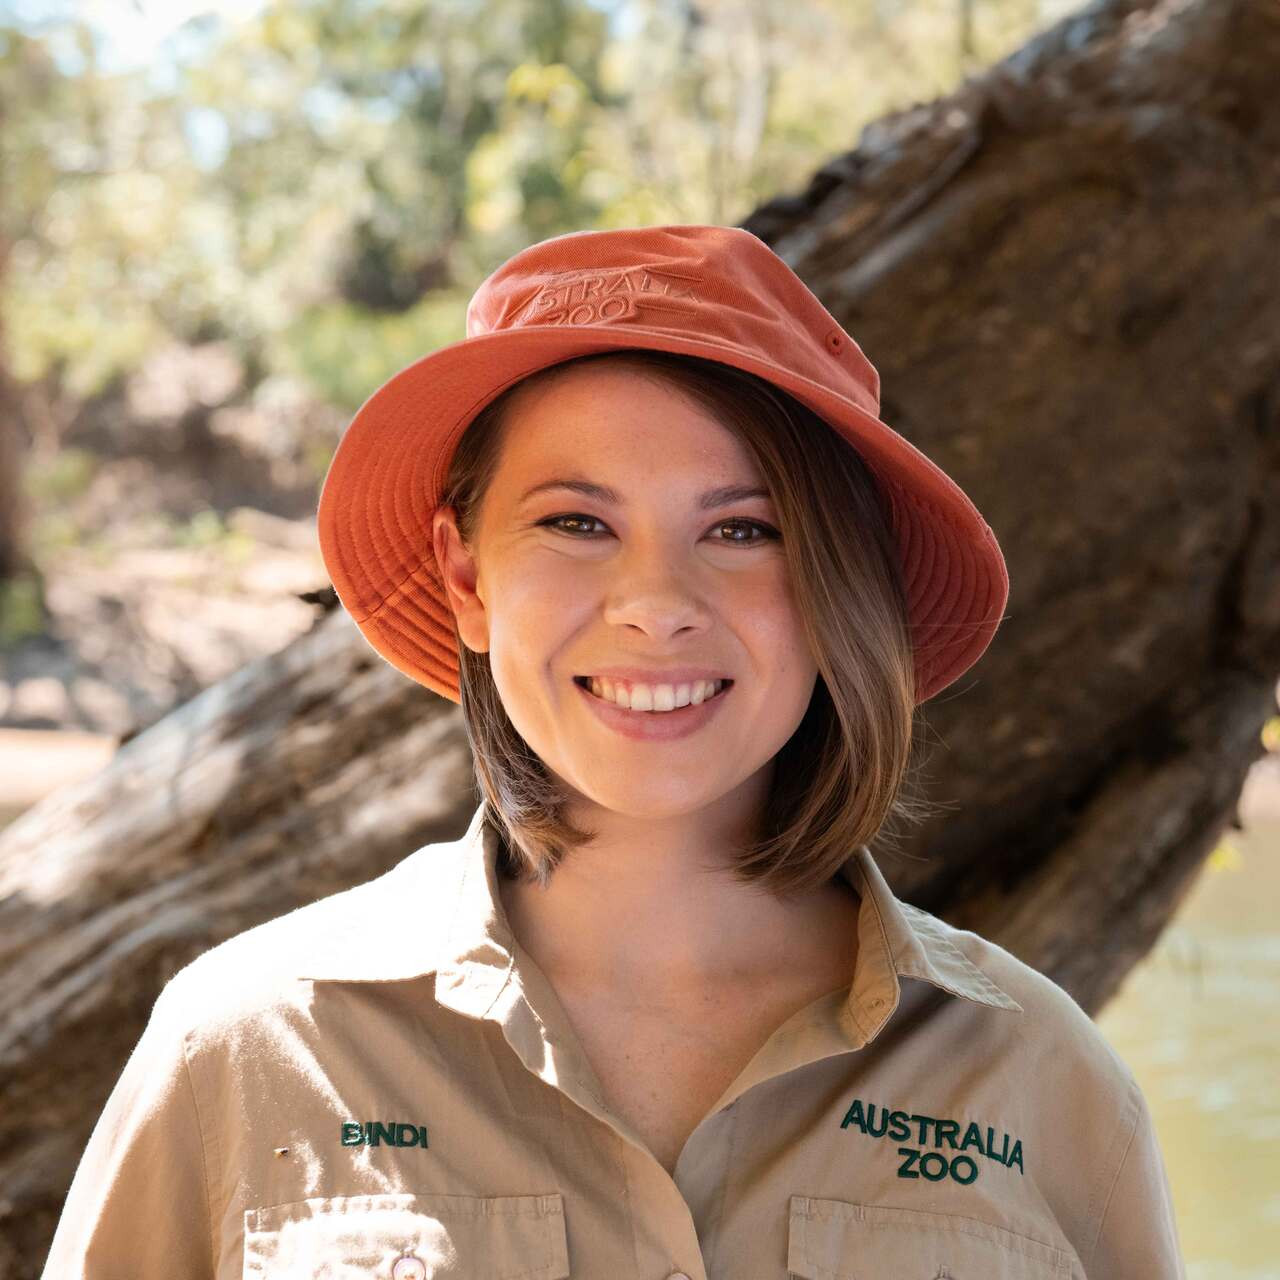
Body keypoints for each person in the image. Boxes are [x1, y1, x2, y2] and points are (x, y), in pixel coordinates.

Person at [40, 225, 1186, 1279]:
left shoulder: (1041, 1077)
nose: (654, 603)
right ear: (465, 574)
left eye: (743, 529)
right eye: (575, 522)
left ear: (841, 590)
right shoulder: (249, 1041)